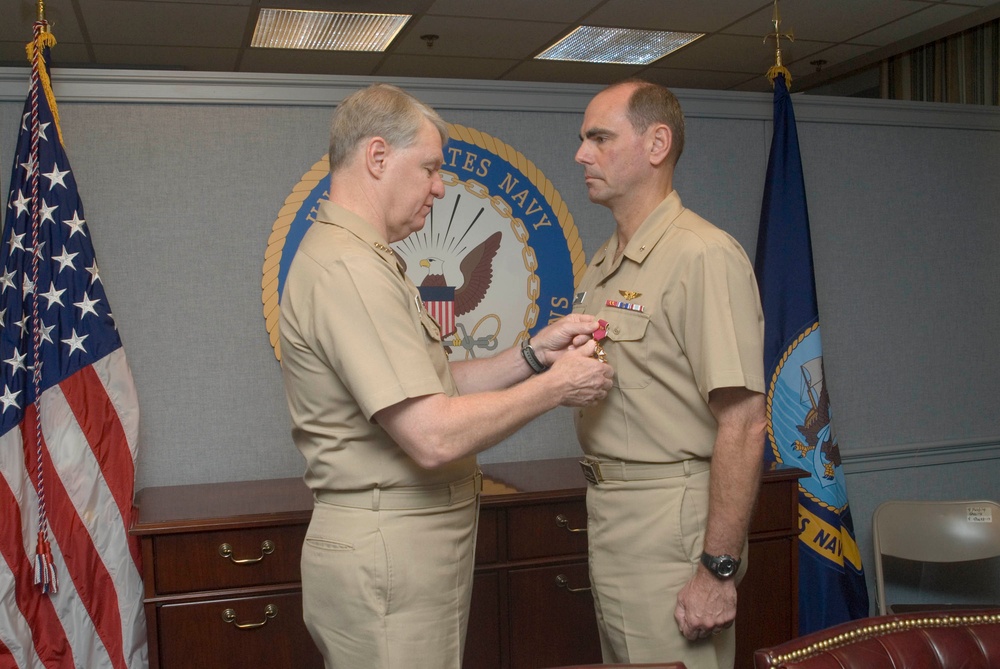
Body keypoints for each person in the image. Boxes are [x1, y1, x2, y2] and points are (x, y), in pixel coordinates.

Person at [278, 83, 614, 669]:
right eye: (430, 168)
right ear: (377, 156)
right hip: (390, 547)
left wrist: (533, 355)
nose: (440, 186)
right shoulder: (348, 268)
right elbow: (431, 433)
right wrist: (556, 387)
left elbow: (430, 385)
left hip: (407, 544)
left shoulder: (365, 257)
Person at [571, 79, 767, 669]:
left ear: (657, 144)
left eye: (599, 138)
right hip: (612, 513)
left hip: (671, 520)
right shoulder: (603, 265)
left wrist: (717, 570)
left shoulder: (702, 255)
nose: (581, 154)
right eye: (583, 139)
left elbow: (744, 422)